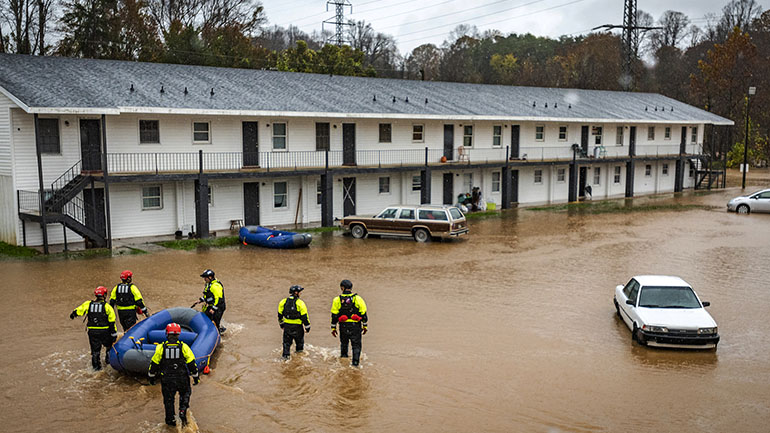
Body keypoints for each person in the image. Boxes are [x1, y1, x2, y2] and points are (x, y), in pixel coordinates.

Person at [148, 323, 200, 427]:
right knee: (185, 394)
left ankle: (170, 421)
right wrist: (195, 377)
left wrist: (151, 377)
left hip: (167, 379)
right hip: (182, 377)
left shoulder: (161, 347)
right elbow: (191, 363)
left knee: (168, 400)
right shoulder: (184, 347)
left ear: (167, 333)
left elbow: (154, 364)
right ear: (179, 334)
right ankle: (182, 411)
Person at [69, 286, 118, 371]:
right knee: (108, 347)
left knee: (95, 351)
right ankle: (108, 364)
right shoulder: (107, 306)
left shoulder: (88, 304)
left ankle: (96, 369)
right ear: (105, 295)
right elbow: (112, 321)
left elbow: (78, 311)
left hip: (92, 332)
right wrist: (114, 334)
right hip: (105, 331)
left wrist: (73, 315)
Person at [330, 279, 368, 366]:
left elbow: (334, 315)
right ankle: (355, 365)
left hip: (343, 326)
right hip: (355, 326)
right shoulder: (358, 299)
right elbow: (364, 314)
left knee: (344, 344)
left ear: (342, 288)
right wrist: (365, 326)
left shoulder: (337, 300)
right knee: (356, 346)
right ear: (351, 288)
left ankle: (343, 362)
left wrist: (333, 328)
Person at [277, 285, 311, 359]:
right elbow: (304, 317)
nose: (300, 293)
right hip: (298, 328)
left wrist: (281, 325)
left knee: (286, 344)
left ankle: (285, 359)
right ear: (296, 293)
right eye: (299, 292)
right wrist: (307, 327)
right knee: (299, 345)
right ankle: (299, 360)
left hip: (287, 327)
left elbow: (279, 315)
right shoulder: (300, 303)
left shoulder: (283, 302)